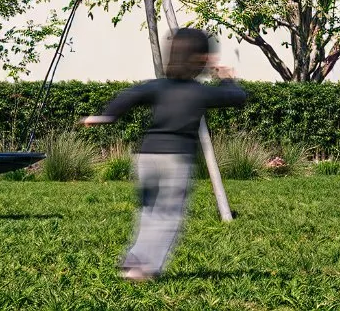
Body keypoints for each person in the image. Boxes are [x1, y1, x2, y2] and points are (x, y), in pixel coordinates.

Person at [82, 29, 245, 281]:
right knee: (168, 215)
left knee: (149, 211)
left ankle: (135, 258)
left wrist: (107, 116)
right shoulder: (199, 92)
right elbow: (237, 97)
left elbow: (129, 96)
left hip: (146, 157)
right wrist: (226, 78)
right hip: (175, 160)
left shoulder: (158, 86)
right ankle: (144, 268)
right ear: (202, 59)